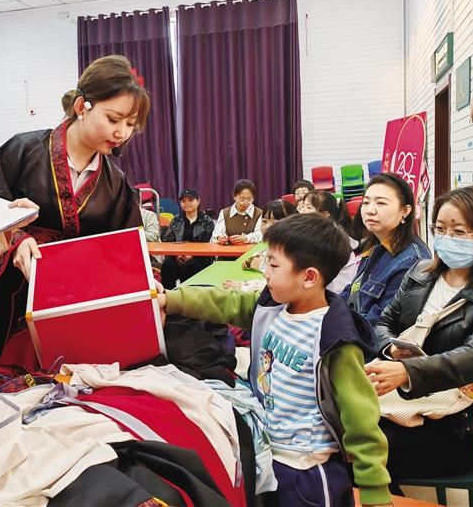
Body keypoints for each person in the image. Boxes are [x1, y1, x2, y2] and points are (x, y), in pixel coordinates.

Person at [156, 214, 392, 506]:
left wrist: (374, 488)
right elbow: (227, 302)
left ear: (309, 277)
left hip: (309, 470)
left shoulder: (334, 337)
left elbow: (360, 416)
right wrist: (170, 300)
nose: (265, 272)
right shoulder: (274, 307)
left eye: (274, 265)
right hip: (270, 457)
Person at [0, 55, 149, 362]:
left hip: (73, 303)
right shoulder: (22, 150)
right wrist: (15, 239)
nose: (122, 133)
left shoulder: (116, 182)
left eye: (130, 124)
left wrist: (152, 289)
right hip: (10, 294)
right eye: (113, 119)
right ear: (82, 107)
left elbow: (129, 248)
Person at [365, 185, 473, 482]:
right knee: (334, 431)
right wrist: (391, 348)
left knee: (352, 447)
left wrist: (407, 372)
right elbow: (382, 323)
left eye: (459, 232)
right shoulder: (420, 273)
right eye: (439, 229)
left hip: (452, 429)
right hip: (399, 405)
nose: (446, 238)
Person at [340, 173, 431, 325]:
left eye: (381, 203)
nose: (370, 210)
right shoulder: (374, 244)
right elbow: (352, 291)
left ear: (405, 211)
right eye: (366, 202)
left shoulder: (411, 261)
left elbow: (380, 323)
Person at [222, 199, 296, 292]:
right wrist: (244, 284)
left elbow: (279, 285)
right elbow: (267, 281)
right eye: (264, 221)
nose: (267, 227)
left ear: (293, 223)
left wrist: (243, 288)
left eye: (276, 222)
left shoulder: (292, 252)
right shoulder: (273, 248)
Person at [297, 190, 359, 293]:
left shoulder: (332, 237)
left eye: (308, 207)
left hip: (337, 294)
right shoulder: (314, 232)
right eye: (302, 206)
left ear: (325, 214)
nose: (302, 211)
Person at [160, 188, 215, 289]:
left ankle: (186, 296)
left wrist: (192, 255)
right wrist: (177, 254)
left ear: (198, 201)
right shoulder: (176, 220)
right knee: (167, 265)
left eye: (190, 200)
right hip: (177, 256)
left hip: (200, 257)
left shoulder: (207, 221)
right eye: (183, 201)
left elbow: (207, 244)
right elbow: (168, 241)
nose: (187, 203)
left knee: (190, 267)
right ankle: (169, 295)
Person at [211, 179, 263, 245]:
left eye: (249, 199)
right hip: (228, 250)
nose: (245, 203)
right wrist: (220, 238)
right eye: (242, 199)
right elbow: (216, 234)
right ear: (234, 196)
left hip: (251, 250)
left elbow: (260, 235)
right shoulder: (225, 213)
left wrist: (245, 238)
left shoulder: (259, 213)